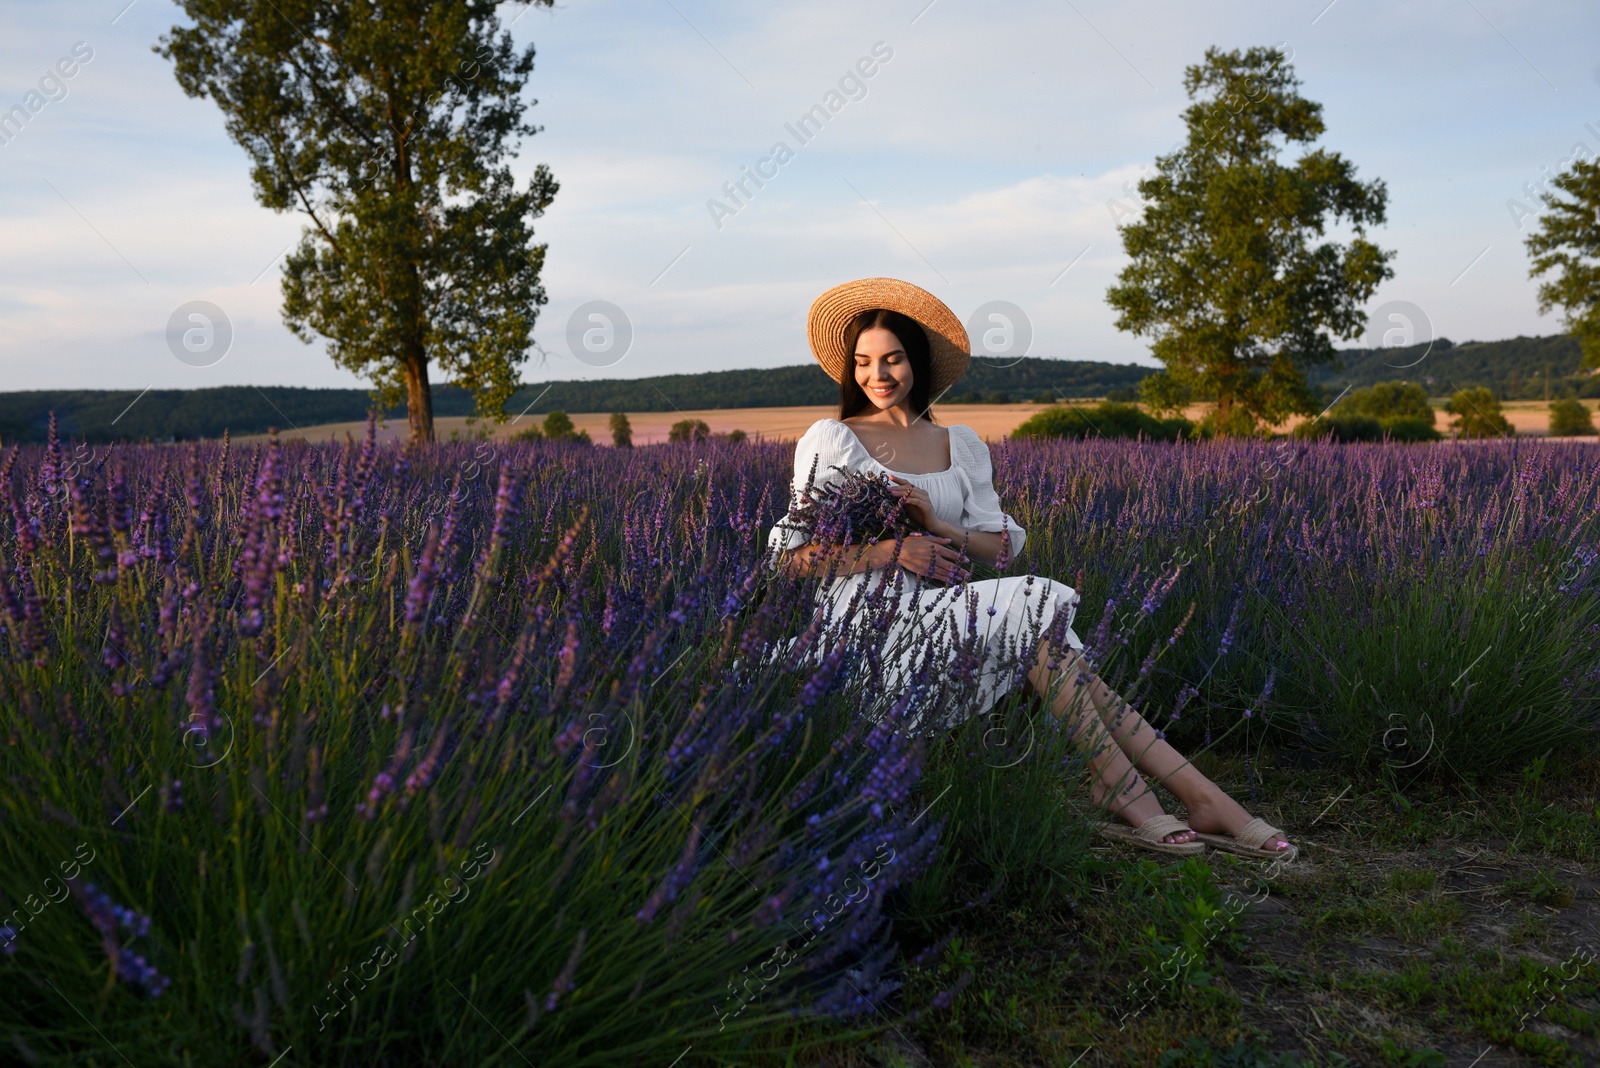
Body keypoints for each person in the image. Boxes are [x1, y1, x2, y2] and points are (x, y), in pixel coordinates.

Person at [766, 277, 1295, 860]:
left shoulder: (959, 444)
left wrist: (937, 527)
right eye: (863, 362)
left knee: (1043, 634)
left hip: (942, 608)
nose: (878, 374)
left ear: (915, 362)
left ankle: (1155, 792)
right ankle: (1174, 795)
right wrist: (889, 552)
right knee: (1039, 618)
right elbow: (787, 559)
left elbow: (999, 552)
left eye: (892, 359)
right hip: (867, 623)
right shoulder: (832, 439)